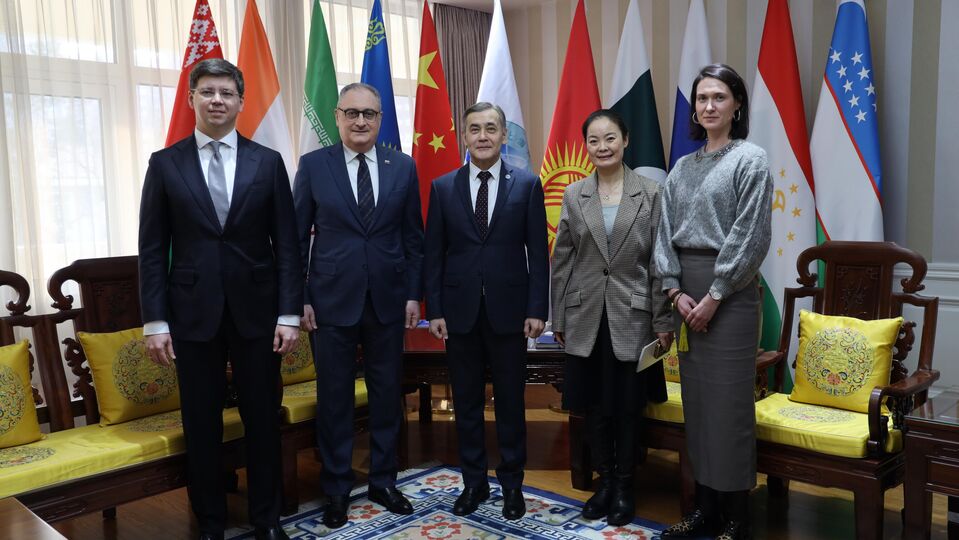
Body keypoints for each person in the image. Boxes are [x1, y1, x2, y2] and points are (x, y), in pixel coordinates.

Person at [138, 58, 300, 540]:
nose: (216, 100)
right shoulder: (164, 164)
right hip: (191, 315)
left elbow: (287, 246)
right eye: (207, 92)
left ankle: (267, 520)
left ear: (240, 102)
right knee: (201, 423)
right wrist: (155, 321)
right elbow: (151, 250)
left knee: (262, 420)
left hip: (258, 312)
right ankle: (209, 523)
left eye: (226, 93)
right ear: (192, 99)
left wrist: (289, 312)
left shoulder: (267, 162)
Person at [293, 83, 424, 529]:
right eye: (352, 113)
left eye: (369, 114)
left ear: (381, 118)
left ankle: (384, 481)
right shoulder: (313, 166)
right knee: (334, 400)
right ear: (337, 116)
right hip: (329, 302)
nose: (361, 121)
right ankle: (335, 489)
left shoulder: (403, 167)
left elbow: (413, 239)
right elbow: (294, 242)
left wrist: (412, 294)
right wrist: (301, 298)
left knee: (387, 397)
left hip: (387, 300)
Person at [655, 64, 772, 540]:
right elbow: (664, 235)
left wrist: (716, 294)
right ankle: (704, 510)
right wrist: (675, 291)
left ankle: (736, 520)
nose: (708, 106)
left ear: (737, 105)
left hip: (732, 296)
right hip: (686, 293)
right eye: (702, 98)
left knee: (729, 410)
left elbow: (751, 236)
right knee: (698, 407)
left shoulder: (752, 160)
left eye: (719, 98)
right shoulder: (682, 167)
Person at [423, 102, 549, 520]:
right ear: (464, 136)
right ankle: (473, 483)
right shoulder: (442, 188)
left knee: (512, 403)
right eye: (474, 129)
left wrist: (538, 308)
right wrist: (434, 309)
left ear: (503, 135)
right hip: (458, 314)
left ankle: (512, 485)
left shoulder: (528, 185)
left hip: (510, 313)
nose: (482, 136)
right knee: (467, 404)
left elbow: (538, 254)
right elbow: (433, 256)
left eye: (490, 128)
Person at [550, 109, 674, 526]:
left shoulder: (652, 193)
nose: (602, 147)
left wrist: (663, 319)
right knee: (594, 406)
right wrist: (558, 318)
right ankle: (603, 483)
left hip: (634, 315)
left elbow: (661, 261)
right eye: (594, 141)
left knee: (625, 407)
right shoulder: (574, 194)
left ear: (626, 141)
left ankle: (624, 486)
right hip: (585, 315)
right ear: (586, 146)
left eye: (610, 139)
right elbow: (562, 261)